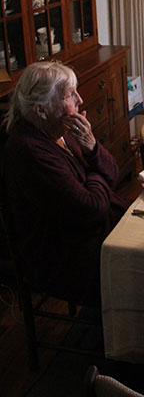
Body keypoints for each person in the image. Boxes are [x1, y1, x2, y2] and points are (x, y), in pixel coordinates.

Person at [2, 61, 129, 306]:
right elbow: (91, 209)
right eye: (70, 94)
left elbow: (112, 172)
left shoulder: (60, 128)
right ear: (41, 109)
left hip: (86, 232)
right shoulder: (29, 151)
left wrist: (92, 148)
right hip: (62, 256)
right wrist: (96, 174)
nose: (80, 99)